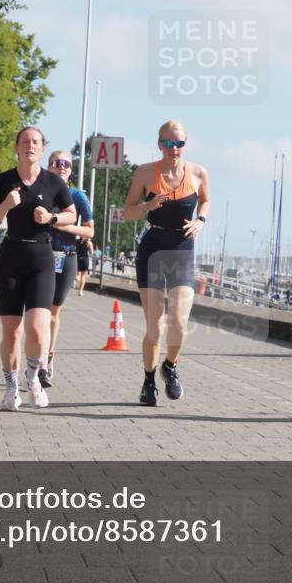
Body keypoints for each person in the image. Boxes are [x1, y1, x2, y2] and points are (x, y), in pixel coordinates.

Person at [0, 127, 77, 411]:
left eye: (36, 142)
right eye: (25, 141)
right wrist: (6, 206)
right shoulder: (4, 181)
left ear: (42, 148)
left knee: (37, 330)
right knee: (12, 333)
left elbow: (72, 213)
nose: (30, 146)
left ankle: (33, 377)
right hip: (11, 257)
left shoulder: (53, 182)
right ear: (16, 147)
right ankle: (11, 388)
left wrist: (52, 217)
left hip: (41, 259)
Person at [123, 120, 210, 407]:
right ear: (160, 144)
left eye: (180, 144)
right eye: (169, 143)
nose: (175, 149)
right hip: (153, 248)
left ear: (186, 144)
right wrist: (147, 206)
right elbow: (128, 213)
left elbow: (206, 201)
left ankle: (170, 366)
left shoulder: (197, 172)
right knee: (155, 328)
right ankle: (149, 381)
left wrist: (200, 221)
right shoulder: (146, 173)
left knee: (179, 323)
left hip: (182, 249)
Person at [42, 150, 94, 387]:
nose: (61, 167)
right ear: (49, 166)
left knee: (53, 311)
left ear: (71, 170)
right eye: (56, 163)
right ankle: (38, 361)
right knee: (37, 310)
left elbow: (90, 231)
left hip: (66, 256)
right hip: (39, 255)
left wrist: (66, 227)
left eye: (66, 164)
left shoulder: (77, 196)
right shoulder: (40, 193)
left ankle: (48, 356)